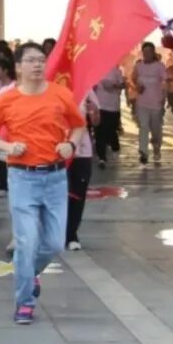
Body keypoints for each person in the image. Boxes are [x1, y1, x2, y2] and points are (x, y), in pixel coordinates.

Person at [0, 41, 85, 325]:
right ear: (18, 67)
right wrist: (8, 146)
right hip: (22, 177)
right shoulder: (6, 99)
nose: (38, 65)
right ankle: (24, 302)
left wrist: (70, 145)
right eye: (31, 60)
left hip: (55, 177)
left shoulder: (60, 94)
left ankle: (29, 272)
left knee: (54, 243)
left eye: (41, 60)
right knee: (26, 242)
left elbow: (78, 125)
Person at [66, 91, 99, 251]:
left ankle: (71, 234)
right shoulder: (51, 87)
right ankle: (55, 232)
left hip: (82, 151)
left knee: (77, 194)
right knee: (57, 194)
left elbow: (96, 121)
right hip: (56, 149)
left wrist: (94, 111)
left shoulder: (86, 89)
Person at [132, 42, 167, 165]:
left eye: (149, 52)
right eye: (145, 52)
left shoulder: (159, 66)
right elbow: (134, 78)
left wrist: (164, 97)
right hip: (142, 103)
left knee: (156, 130)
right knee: (143, 127)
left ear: (153, 53)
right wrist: (137, 87)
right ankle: (143, 152)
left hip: (156, 103)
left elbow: (165, 82)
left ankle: (156, 147)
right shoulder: (138, 66)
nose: (146, 54)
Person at [93, 65, 125, 165]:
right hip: (100, 106)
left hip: (113, 107)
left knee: (111, 131)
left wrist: (116, 86)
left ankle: (115, 148)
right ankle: (101, 157)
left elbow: (122, 84)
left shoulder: (116, 71)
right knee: (99, 132)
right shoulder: (96, 70)